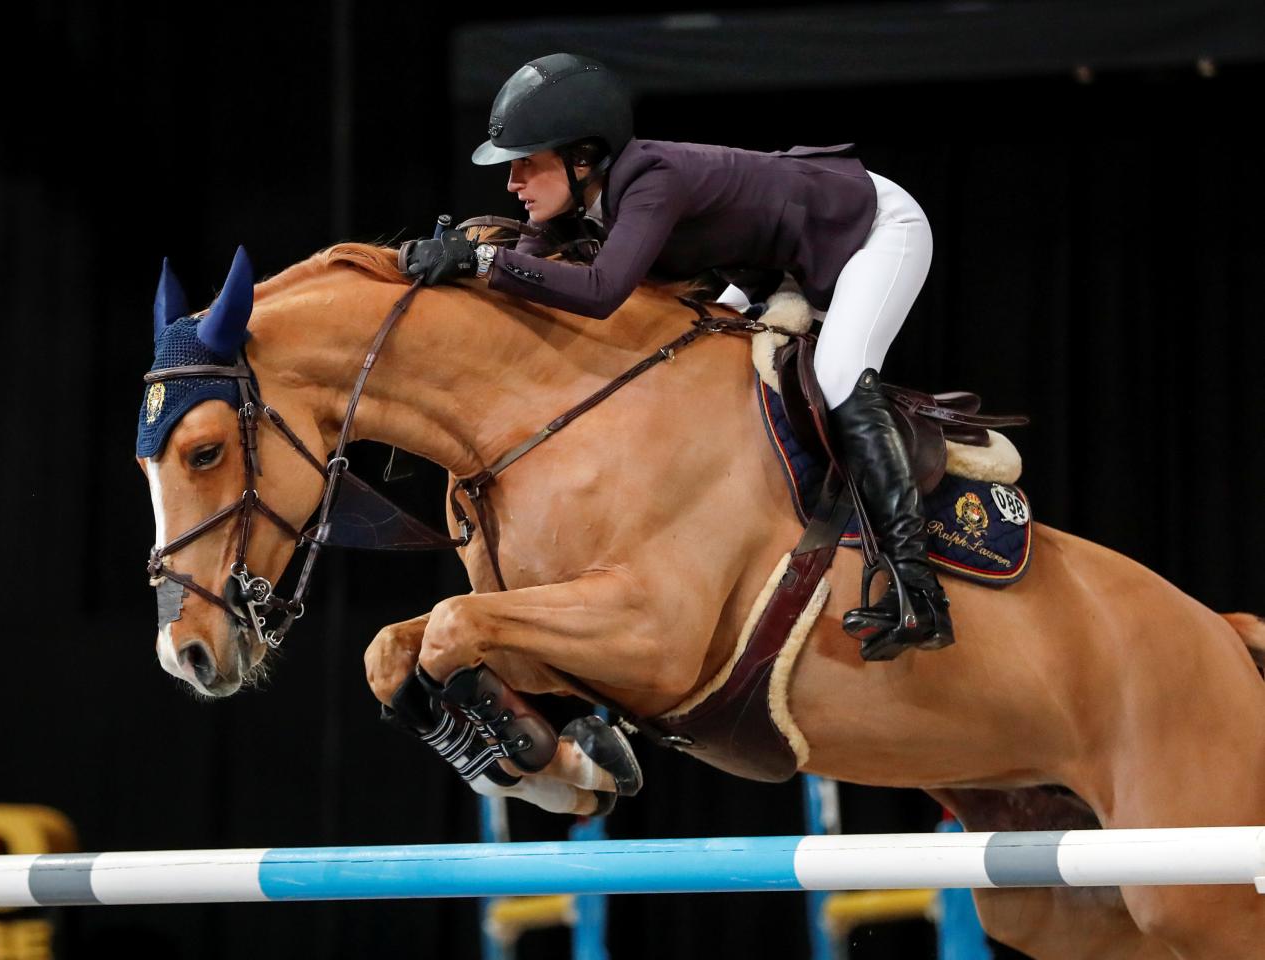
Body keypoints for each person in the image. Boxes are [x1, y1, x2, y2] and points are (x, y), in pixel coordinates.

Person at [402, 52, 949, 661]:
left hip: (871, 229)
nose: (511, 183)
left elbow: (601, 292)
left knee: (839, 374)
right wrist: (459, 264)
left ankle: (916, 585)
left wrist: (481, 261)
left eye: (526, 163)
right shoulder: (578, 207)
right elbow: (528, 274)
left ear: (581, 158)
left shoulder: (653, 180)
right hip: (774, 266)